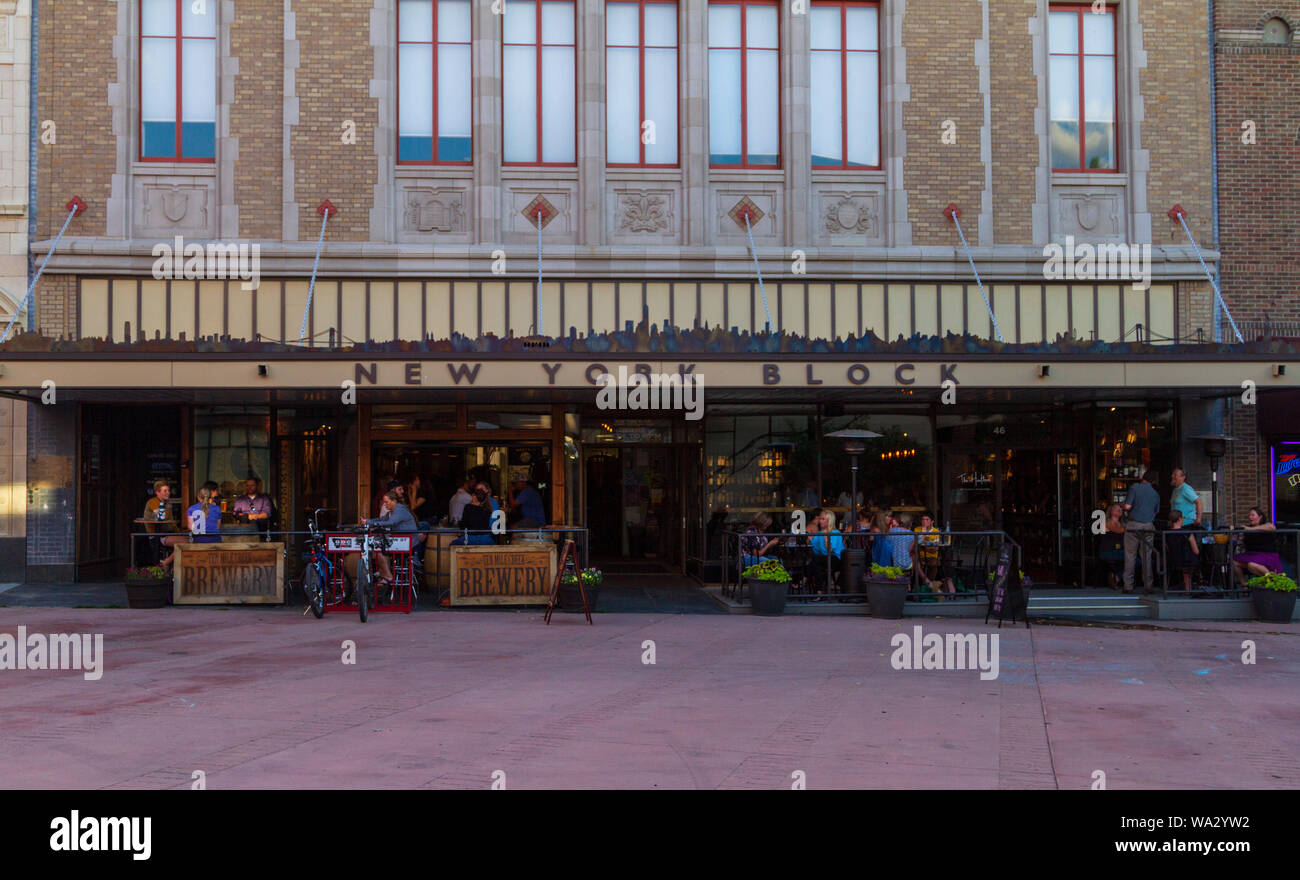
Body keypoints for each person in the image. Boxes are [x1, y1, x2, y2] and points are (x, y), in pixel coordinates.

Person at [352, 489, 420, 589]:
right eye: (384, 502)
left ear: (394, 501)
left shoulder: (399, 509)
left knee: (379, 551)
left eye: (386, 502)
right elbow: (381, 519)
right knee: (377, 550)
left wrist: (371, 523)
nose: (385, 505)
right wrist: (367, 521)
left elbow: (390, 523)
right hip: (402, 542)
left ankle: (387, 576)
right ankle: (382, 574)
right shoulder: (392, 511)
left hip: (409, 543)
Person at [1122, 469, 1160, 594]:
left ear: (1143, 476)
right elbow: (1155, 512)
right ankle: (1148, 585)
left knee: (1130, 555)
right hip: (1148, 525)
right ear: (1153, 481)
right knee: (1147, 556)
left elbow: (1127, 506)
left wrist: (1123, 507)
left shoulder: (1135, 488)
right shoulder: (1156, 494)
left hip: (1133, 525)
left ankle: (1128, 586)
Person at [1233, 506, 1282, 585]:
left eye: (1253, 515)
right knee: (1234, 562)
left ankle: (1275, 580)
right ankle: (1245, 585)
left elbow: (1272, 527)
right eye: (1249, 515)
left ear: (1260, 517)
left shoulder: (1265, 525)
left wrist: (1249, 529)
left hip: (1266, 555)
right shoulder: (1248, 528)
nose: (1250, 517)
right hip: (1251, 554)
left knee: (1251, 565)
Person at [143, 480, 185, 567]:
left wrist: (179, 532)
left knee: (190, 540)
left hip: (167, 533)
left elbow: (171, 522)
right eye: (165, 491)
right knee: (185, 543)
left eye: (168, 490)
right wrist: (167, 508)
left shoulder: (167, 503)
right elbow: (162, 518)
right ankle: (165, 563)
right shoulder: (153, 502)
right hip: (157, 535)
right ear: (157, 492)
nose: (168, 493)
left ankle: (173, 566)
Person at [807, 509, 844, 596]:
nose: (820, 521)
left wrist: (826, 538)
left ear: (829, 521)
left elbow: (830, 550)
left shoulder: (835, 533)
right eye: (820, 519)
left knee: (815, 562)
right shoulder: (819, 533)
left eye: (823, 519)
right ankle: (819, 591)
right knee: (817, 564)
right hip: (823, 559)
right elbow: (816, 550)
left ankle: (804, 579)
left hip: (836, 559)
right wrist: (809, 539)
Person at [915, 512, 954, 595]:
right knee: (918, 562)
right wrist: (927, 546)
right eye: (923, 519)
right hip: (919, 556)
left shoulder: (936, 531)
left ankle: (929, 586)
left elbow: (936, 548)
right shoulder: (917, 530)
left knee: (934, 564)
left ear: (932, 521)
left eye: (927, 519)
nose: (924, 521)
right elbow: (915, 545)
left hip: (932, 557)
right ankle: (928, 586)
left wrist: (925, 547)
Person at [1164, 510, 1200, 592]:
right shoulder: (1187, 533)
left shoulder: (1166, 533)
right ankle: (1188, 588)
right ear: (1180, 519)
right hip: (1186, 561)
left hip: (1172, 560)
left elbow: (1167, 548)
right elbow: (1196, 551)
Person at [1099, 502, 1126, 589]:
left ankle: (1117, 577)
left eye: (1121, 508)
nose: (1119, 510)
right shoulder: (1107, 523)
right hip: (1108, 551)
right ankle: (1117, 577)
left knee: (1136, 560)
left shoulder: (1123, 524)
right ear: (1111, 511)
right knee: (1132, 560)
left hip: (1120, 551)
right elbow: (1118, 531)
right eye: (1116, 508)